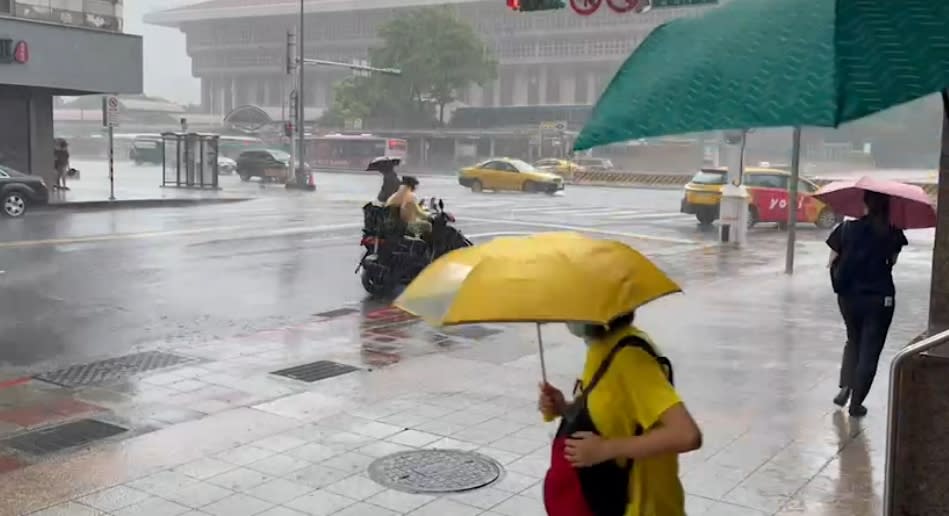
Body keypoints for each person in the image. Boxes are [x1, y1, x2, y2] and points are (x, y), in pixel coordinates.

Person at [539, 312, 702, 516]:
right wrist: (564, 408)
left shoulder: (630, 357)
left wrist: (606, 448)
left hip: (644, 507)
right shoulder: (601, 347)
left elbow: (686, 435)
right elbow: (613, 413)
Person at [827, 190, 908, 417]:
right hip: (879, 299)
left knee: (853, 339)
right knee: (870, 350)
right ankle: (856, 403)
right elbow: (891, 262)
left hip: (848, 297)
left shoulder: (846, 229)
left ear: (865, 203)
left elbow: (831, 260)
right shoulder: (892, 233)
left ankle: (845, 386)